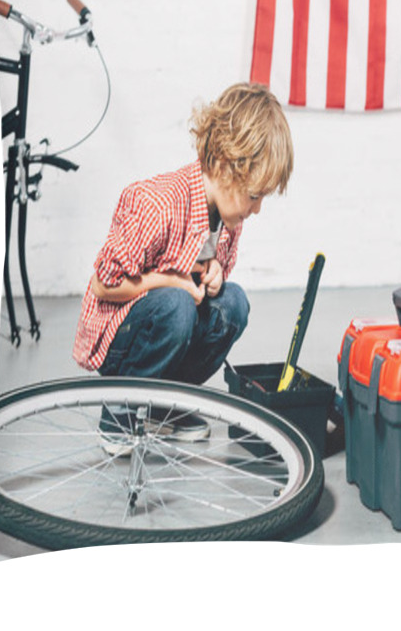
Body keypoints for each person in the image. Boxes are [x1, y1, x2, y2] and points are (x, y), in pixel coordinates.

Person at [72, 82, 293, 451]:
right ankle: (120, 412)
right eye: (254, 196)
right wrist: (171, 281)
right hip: (122, 339)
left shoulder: (225, 217)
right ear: (225, 166)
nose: (257, 209)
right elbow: (102, 285)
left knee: (234, 303)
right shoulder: (156, 204)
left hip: (172, 330)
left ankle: (163, 405)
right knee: (175, 306)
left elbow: (208, 267)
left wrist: (216, 274)